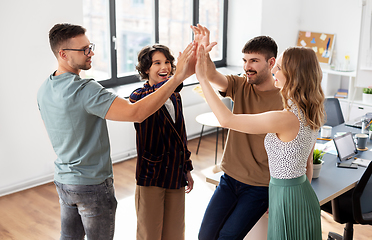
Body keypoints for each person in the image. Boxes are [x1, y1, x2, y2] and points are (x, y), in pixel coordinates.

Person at [37, 23, 195, 240]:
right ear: (63, 54)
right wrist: (177, 78)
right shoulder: (86, 90)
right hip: (92, 184)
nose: (91, 52)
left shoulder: (45, 88)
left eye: (89, 46)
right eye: (84, 50)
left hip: (64, 182)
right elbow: (135, 112)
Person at [195, 44, 325, 239]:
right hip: (298, 194)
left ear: (294, 75)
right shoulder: (311, 111)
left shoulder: (287, 118)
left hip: (286, 195)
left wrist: (202, 79)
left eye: (279, 67)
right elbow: (307, 163)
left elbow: (227, 120)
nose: (273, 70)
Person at [191, 24, 283, 239]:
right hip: (229, 178)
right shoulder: (240, 85)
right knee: (205, 236)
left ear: (271, 63)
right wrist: (203, 54)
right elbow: (212, 74)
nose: (247, 66)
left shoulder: (284, 100)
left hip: (259, 186)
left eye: (254, 61)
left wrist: (277, 191)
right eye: (244, 60)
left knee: (227, 237)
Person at [129, 44, 194, 240]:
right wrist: (177, 79)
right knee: (149, 234)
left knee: (175, 232)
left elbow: (181, 136)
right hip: (151, 177)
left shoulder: (175, 95)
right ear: (146, 69)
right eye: (157, 63)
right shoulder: (138, 96)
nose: (164, 67)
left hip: (175, 174)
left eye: (167, 62)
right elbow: (151, 97)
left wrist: (187, 168)